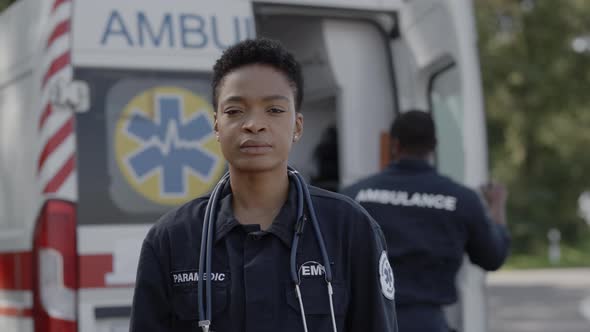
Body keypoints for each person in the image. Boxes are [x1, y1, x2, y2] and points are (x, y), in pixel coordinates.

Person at [129, 38, 398, 332]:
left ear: (297, 126)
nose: (254, 124)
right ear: (216, 125)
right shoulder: (171, 238)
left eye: (274, 110)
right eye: (234, 111)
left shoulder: (350, 228)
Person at [341, 110, 510, 332]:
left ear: (395, 145)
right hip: (428, 323)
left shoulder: (354, 195)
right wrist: (496, 205)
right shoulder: (460, 199)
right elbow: (493, 257)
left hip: (367, 320)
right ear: (434, 145)